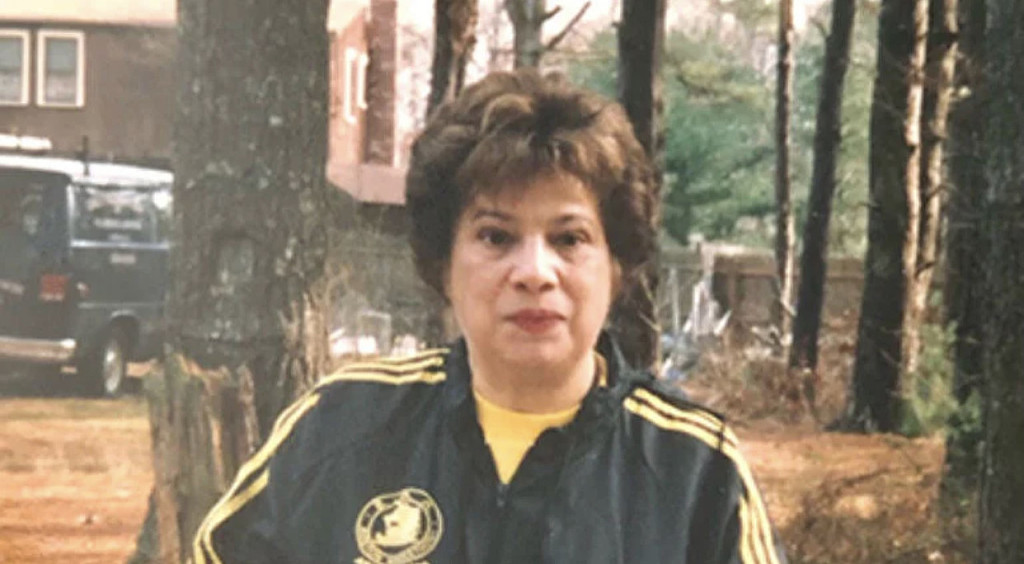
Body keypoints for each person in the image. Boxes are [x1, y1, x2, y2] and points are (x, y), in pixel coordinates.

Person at [193, 69, 786, 563]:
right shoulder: (340, 426)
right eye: (496, 236)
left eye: (569, 238)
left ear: (616, 265)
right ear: (443, 261)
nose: (534, 272)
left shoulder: (694, 471)